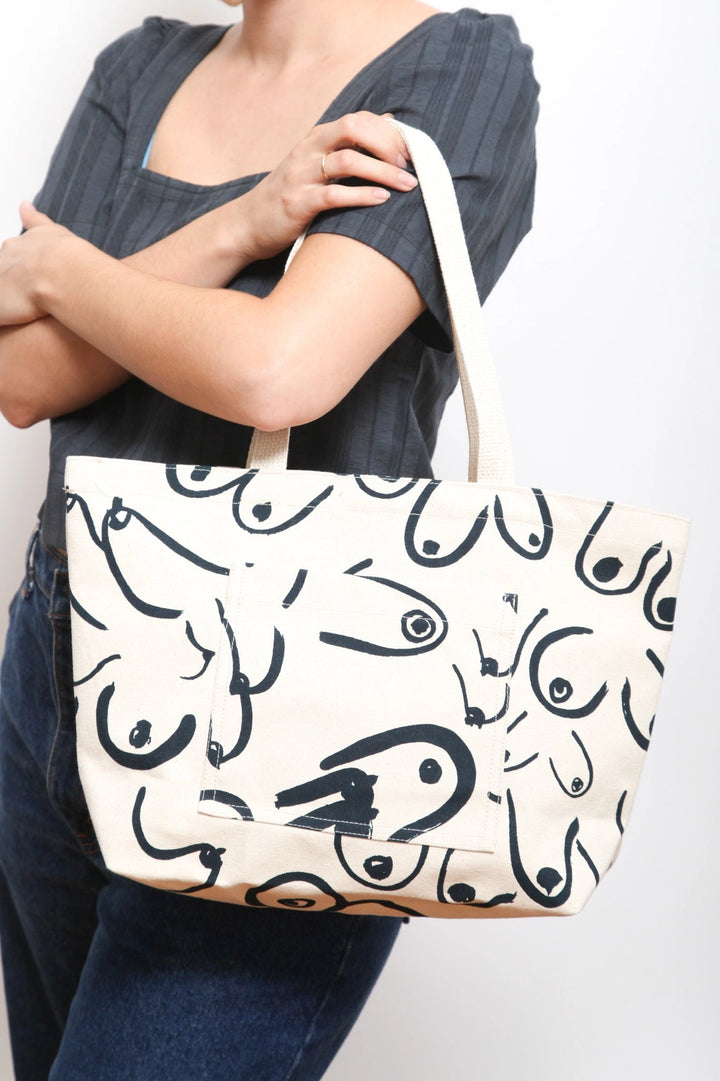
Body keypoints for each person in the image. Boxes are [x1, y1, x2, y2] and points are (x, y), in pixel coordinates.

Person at [0, 0, 539, 1077]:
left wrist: (59, 271)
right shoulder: (136, 71)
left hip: (298, 724)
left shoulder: (457, 68)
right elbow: (23, 378)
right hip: (50, 684)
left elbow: (282, 368)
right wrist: (243, 226)